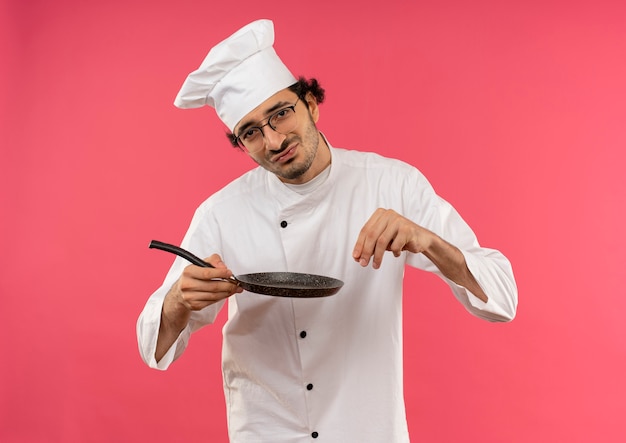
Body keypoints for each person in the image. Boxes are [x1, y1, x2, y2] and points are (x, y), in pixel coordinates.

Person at [137, 19, 518, 442]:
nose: (275, 140)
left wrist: (428, 241)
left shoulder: (392, 183)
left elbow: (501, 298)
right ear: (241, 146)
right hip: (265, 431)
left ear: (312, 105)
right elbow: (155, 349)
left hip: (366, 428)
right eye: (251, 133)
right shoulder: (221, 213)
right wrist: (178, 300)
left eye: (281, 113)